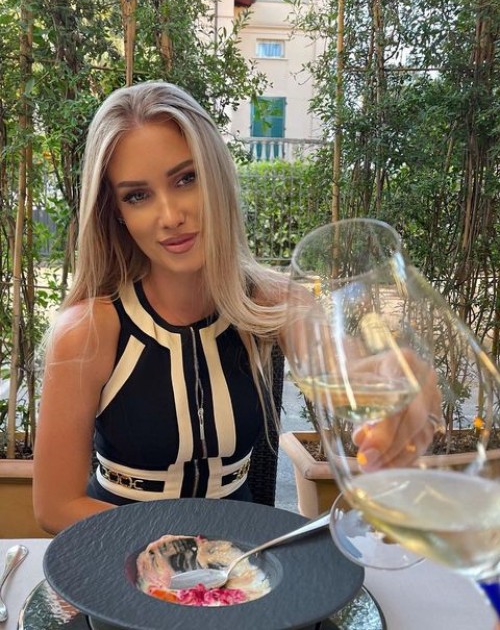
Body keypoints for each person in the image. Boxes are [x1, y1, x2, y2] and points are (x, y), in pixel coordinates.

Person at [33, 81, 438, 535]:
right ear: (115, 213)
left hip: (241, 552)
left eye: (187, 178)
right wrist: (175, 555)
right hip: (118, 551)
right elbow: (56, 505)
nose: (170, 216)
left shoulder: (276, 301)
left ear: (218, 176)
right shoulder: (88, 329)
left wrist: (391, 380)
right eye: (137, 195)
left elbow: (345, 370)